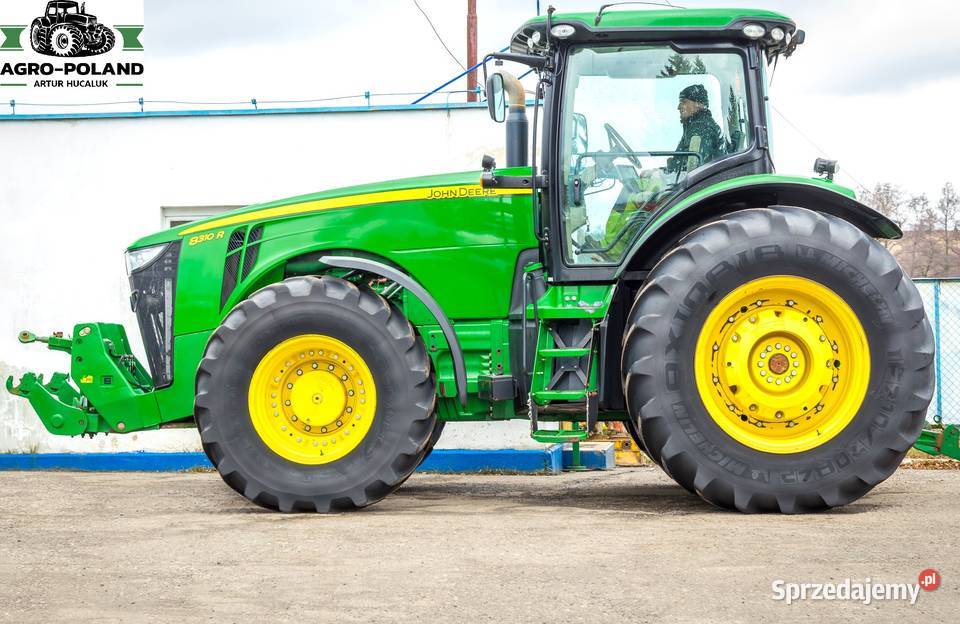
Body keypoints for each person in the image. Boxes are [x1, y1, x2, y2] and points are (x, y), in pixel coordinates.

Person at [666, 84, 725, 174]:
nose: (678, 107)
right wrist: (662, 171)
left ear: (698, 104)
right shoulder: (693, 126)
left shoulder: (702, 128)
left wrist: (666, 174)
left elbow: (695, 167)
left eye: (683, 102)